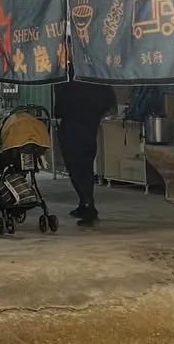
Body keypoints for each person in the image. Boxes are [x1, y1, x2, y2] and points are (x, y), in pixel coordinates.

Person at [54, 41, 116, 227]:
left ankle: (88, 206)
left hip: (73, 125)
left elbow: (61, 103)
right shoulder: (95, 70)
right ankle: (85, 203)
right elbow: (109, 101)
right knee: (86, 166)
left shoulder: (67, 74)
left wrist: (60, 115)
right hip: (90, 126)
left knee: (75, 167)